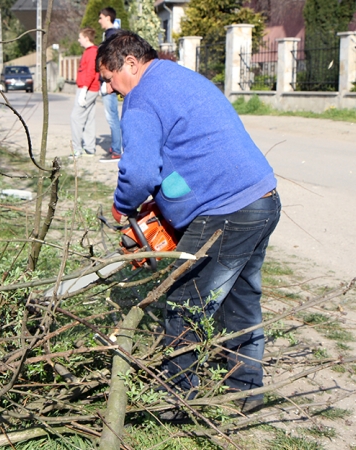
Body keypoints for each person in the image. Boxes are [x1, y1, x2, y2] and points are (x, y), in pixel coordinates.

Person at [99, 31, 280, 415]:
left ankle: (175, 400)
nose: (109, 87)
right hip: (262, 199)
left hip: (227, 212)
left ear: (130, 64)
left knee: (185, 302)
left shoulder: (141, 99)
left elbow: (141, 170)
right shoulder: (180, 76)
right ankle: (246, 391)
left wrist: (123, 207)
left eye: (109, 77)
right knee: (240, 300)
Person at [97, 7, 123, 163]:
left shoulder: (112, 36)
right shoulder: (109, 35)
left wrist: (108, 81)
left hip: (108, 83)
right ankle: (115, 147)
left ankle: (116, 151)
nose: (99, 21)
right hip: (107, 82)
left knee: (112, 117)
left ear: (107, 18)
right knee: (111, 117)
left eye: (101, 18)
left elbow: (111, 60)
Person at [70, 27, 100, 158]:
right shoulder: (90, 51)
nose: (79, 40)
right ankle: (90, 148)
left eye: (80, 37)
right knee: (88, 118)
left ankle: (77, 149)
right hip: (89, 88)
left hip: (87, 89)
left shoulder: (92, 52)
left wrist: (84, 89)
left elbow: (90, 72)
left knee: (76, 118)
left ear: (86, 38)